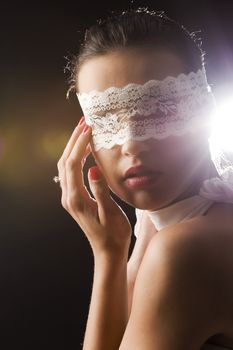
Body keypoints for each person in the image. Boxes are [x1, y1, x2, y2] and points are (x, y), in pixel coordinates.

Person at [55, 8, 233, 350]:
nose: (132, 143)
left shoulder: (185, 251)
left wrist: (109, 257)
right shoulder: (155, 227)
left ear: (205, 110)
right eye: (106, 120)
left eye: (158, 111)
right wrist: (110, 251)